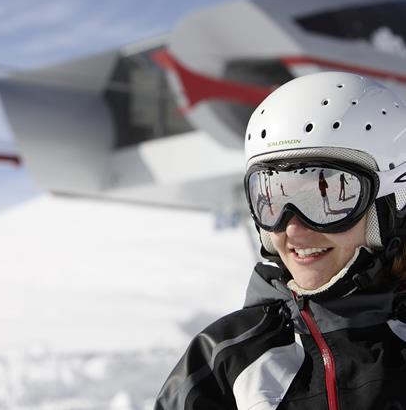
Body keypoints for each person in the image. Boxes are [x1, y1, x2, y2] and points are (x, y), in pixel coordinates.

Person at [154, 72, 406, 409]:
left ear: (391, 204)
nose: (293, 230)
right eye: (272, 199)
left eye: (328, 196)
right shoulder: (226, 358)